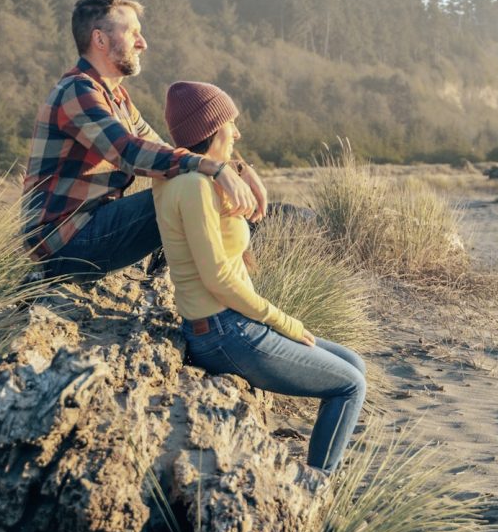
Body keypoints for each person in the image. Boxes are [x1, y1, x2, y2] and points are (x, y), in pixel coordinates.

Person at [152, 81, 366, 472]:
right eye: (230, 125)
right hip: (223, 332)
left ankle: (319, 472)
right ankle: (318, 486)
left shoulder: (179, 177)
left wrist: (238, 169)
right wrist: (282, 320)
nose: (237, 133)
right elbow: (217, 278)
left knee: (353, 361)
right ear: (211, 130)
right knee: (350, 385)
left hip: (227, 324)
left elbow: (199, 155)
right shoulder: (194, 187)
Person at [22, 0, 268, 282]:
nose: (143, 43)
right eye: (133, 33)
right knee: (192, 189)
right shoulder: (77, 91)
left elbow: (162, 151)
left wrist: (237, 169)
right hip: (63, 246)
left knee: (193, 180)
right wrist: (216, 170)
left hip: (91, 231)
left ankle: (216, 291)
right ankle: (218, 304)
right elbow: (130, 153)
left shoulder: (118, 99)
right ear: (99, 40)